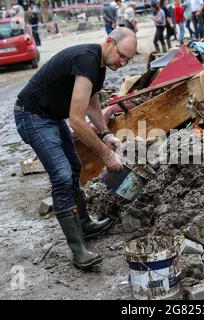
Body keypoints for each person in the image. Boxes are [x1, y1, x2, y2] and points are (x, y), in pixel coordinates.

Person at [14, 28, 137, 270]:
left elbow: (92, 105)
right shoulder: (86, 60)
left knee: (73, 167)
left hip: (50, 116)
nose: (122, 63)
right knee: (61, 175)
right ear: (109, 42)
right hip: (32, 115)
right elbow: (77, 120)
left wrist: (106, 133)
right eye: (121, 56)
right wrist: (106, 154)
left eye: (128, 60)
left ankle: (84, 224)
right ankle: (78, 249)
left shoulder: (98, 65)